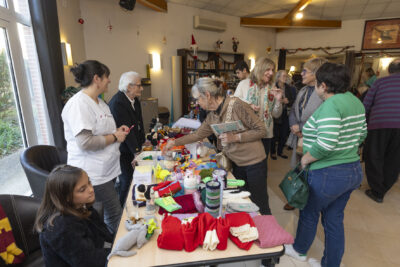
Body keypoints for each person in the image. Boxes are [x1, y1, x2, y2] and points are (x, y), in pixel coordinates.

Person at [285, 63, 367, 267]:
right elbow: (362, 134)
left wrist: (305, 159)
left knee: (309, 212)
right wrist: (345, 150)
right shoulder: (355, 101)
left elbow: (326, 144)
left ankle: (299, 251)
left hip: (328, 173)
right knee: (333, 220)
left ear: (323, 85)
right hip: (352, 171)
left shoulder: (331, 105)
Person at [164, 77, 272, 215]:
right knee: (243, 204)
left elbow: (262, 130)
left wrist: (236, 137)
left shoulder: (237, 105)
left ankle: (268, 234)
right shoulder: (212, 116)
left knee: (260, 204)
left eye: (198, 99)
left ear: (207, 95)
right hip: (237, 165)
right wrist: (173, 143)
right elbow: (197, 135)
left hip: (254, 163)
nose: (197, 103)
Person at [62, 60, 128, 233]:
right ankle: (120, 253)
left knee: (107, 214)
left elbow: (101, 131)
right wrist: (114, 136)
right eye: (107, 77)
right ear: (97, 79)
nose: (109, 81)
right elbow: (85, 142)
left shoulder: (100, 103)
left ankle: (109, 244)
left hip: (107, 168)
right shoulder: (79, 104)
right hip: (93, 173)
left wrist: (116, 131)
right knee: (114, 215)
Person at [35, 165, 113, 267]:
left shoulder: (82, 205)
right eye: (82, 189)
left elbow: (104, 239)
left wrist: (115, 246)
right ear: (66, 197)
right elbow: (90, 263)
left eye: (89, 182)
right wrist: (116, 251)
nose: (91, 189)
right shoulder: (62, 227)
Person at [285, 57, 326, 211]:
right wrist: (293, 125)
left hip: (313, 139)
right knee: (297, 168)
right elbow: (294, 111)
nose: (301, 74)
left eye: (305, 71)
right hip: (299, 137)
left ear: (316, 74)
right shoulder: (302, 90)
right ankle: (295, 197)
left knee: (311, 171)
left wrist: (301, 127)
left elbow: (321, 117)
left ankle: (307, 202)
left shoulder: (323, 92)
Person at [363, 58, 400, 203]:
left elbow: (366, 104)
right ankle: (383, 188)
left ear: (389, 70)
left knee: (374, 156)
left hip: (379, 124)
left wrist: (362, 123)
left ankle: (377, 191)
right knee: (394, 159)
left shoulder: (380, 82)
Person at [109, 71, 146, 206]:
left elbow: (138, 123)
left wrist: (143, 141)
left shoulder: (134, 100)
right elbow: (127, 130)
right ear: (129, 87)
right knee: (127, 180)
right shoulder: (118, 103)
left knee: (135, 178)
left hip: (132, 146)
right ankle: (122, 208)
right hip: (122, 149)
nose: (141, 88)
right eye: (138, 85)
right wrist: (136, 151)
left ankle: (134, 202)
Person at [245, 57, 283, 159]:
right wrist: (248, 106)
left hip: (266, 133)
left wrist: (278, 100)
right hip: (248, 132)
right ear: (260, 69)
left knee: (262, 161)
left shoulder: (272, 88)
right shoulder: (244, 85)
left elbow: (276, 114)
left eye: (272, 70)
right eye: (268, 69)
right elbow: (234, 107)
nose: (271, 73)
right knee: (248, 161)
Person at [270, 70, 297, 160]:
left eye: (286, 76)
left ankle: (280, 151)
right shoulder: (273, 87)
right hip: (275, 113)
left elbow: (293, 100)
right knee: (275, 134)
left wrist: (288, 101)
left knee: (284, 133)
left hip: (286, 112)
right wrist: (279, 101)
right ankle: (273, 152)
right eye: (284, 76)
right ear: (278, 77)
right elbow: (270, 100)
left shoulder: (289, 88)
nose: (286, 78)